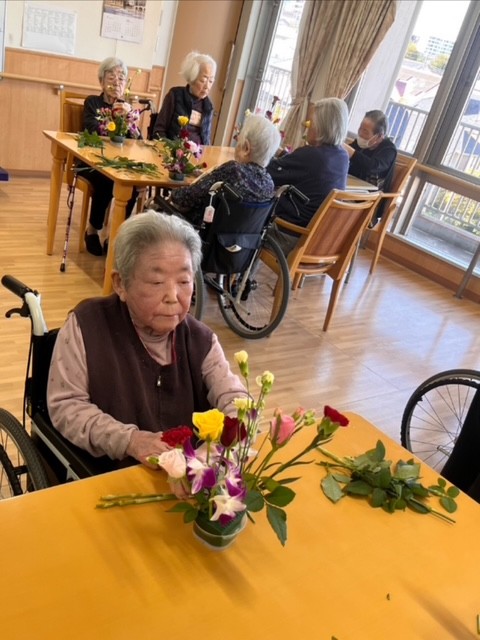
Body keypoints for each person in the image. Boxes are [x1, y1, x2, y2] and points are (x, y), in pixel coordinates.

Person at [47, 211, 247, 467]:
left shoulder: (201, 340)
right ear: (120, 284)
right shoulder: (87, 327)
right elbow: (67, 405)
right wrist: (130, 440)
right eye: (156, 281)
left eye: (184, 281)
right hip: (111, 473)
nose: (172, 296)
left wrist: (228, 438)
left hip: (187, 473)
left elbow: (235, 397)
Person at [160, 115, 281, 225]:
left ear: (246, 148)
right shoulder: (269, 184)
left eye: (238, 139)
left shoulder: (233, 171)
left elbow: (183, 199)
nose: (237, 142)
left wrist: (172, 193)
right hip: (236, 241)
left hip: (193, 233)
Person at [267, 97, 350, 256]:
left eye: (311, 123)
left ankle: (237, 271)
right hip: (317, 243)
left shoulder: (311, 156)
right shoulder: (342, 156)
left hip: (288, 238)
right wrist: (282, 154)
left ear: (321, 127)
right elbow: (299, 167)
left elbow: (269, 173)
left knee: (246, 224)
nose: (308, 127)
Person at [82, 57, 140, 256]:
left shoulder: (126, 108)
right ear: (101, 81)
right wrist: (113, 118)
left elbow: (137, 140)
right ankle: (92, 230)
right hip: (92, 161)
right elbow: (91, 129)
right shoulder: (92, 102)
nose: (117, 82)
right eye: (111, 77)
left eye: (121, 78)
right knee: (106, 179)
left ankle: (115, 235)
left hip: (118, 162)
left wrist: (129, 119)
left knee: (133, 183)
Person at [343, 109, 397, 224]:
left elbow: (373, 166)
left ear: (379, 136)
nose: (360, 134)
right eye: (360, 129)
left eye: (366, 132)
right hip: (351, 190)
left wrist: (352, 153)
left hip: (370, 200)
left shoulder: (389, 150)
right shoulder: (359, 144)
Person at [152, 51, 216, 145]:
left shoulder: (208, 106)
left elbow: (206, 140)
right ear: (192, 79)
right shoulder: (175, 95)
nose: (207, 87)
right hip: (173, 150)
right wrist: (170, 148)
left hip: (198, 152)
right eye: (203, 80)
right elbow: (159, 131)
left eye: (211, 81)